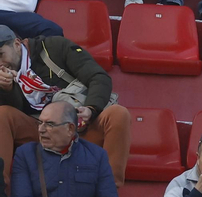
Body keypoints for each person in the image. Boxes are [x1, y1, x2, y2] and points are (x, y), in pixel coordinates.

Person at [0, 26, 132, 186]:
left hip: (80, 124)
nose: (0, 63)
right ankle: (2, 193)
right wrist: (8, 90)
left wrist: (91, 109)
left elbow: (98, 77)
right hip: (42, 131)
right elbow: (16, 111)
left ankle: (110, 190)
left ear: (16, 44)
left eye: (1, 55)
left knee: (119, 113)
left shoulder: (54, 47)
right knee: (3, 114)